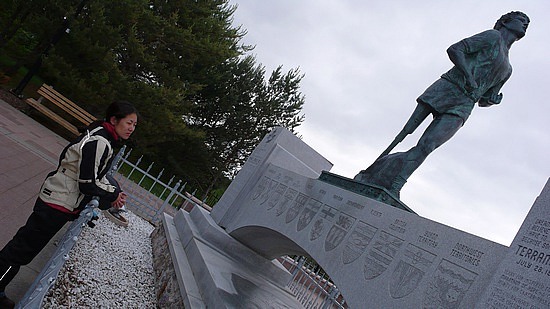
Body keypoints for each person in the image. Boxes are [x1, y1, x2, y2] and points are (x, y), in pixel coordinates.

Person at [355, 11, 530, 197]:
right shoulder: (492, 36)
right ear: (505, 21)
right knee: (405, 133)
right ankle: (366, 176)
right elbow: (455, 49)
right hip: (448, 88)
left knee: (427, 145)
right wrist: (468, 75)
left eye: (527, 23)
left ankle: (395, 186)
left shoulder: (508, 69)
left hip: (465, 104)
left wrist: (492, 101)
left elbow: (484, 100)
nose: (525, 24)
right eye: (521, 20)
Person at [0, 101, 138, 308]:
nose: (131, 128)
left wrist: (112, 193)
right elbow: (87, 183)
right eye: (129, 122)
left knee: (22, 245)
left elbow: (93, 177)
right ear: (114, 120)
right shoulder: (100, 141)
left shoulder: (100, 135)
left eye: (135, 125)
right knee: (21, 249)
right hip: (57, 201)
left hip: (59, 198)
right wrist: (112, 195)